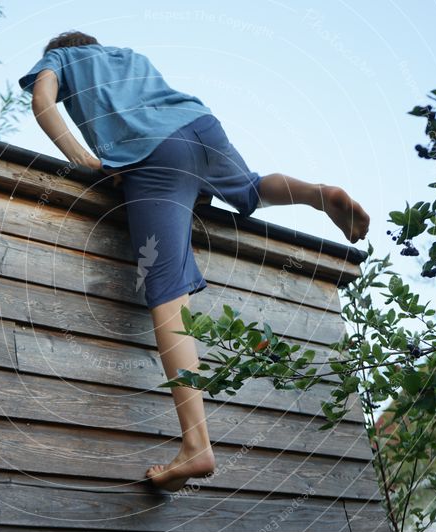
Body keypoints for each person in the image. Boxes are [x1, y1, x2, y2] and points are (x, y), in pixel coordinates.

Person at [18, 31, 370, 492]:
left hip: (150, 154)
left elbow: (43, 103)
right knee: (251, 188)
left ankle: (197, 445)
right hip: (200, 127)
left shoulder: (61, 58)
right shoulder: (130, 54)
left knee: (165, 291)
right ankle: (317, 194)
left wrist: (82, 158)